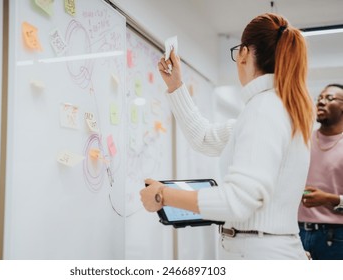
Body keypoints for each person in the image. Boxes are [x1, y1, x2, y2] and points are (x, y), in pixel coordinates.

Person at [140, 13, 314, 260]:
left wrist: (163, 195)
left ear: (244, 53)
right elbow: (203, 137)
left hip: (258, 255)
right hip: (266, 250)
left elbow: (238, 200)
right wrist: (176, 86)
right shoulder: (274, 108)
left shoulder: (264, 110)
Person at [298, 84, 343, 260]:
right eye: (320, 98)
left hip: (336, 238)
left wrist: (328, 199)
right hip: (297, 233)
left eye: (329, 98)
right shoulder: (301, 141)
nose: (321, 102)